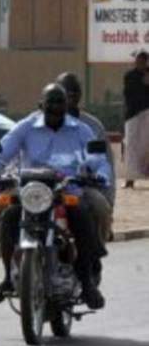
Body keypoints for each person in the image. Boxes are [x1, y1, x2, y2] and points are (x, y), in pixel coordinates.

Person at [0, 84, 110, 309]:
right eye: (50, 107)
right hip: (31, 192)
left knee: (88, 214)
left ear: (67, 107)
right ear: (41, 106)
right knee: (7, 215)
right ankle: (8, 277)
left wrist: (96, 173)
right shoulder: (25, 127)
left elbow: (97, 157)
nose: (55, 112)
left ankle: (88, 280)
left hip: (67, 190)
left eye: (60, 106)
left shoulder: (81, 130)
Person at [56, 72, 115, 243]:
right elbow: (15, 154)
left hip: (80, 187)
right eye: (66, 91)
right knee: (5, 209)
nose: (71, 96)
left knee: (100, 208)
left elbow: (106, 164)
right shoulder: (34, 122)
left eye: (75, 91)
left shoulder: (92, 126)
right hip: (43, 188)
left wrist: (109, 201)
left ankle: (96, 254)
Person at [123, 50, 149, 189]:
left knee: (145, 146)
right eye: (139, 61)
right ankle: (130, 179)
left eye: (144, 61)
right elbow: (129, 95)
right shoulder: (130, 76)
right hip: (133, 115)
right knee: (131, 146)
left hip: (147, 113)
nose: (141, 64)